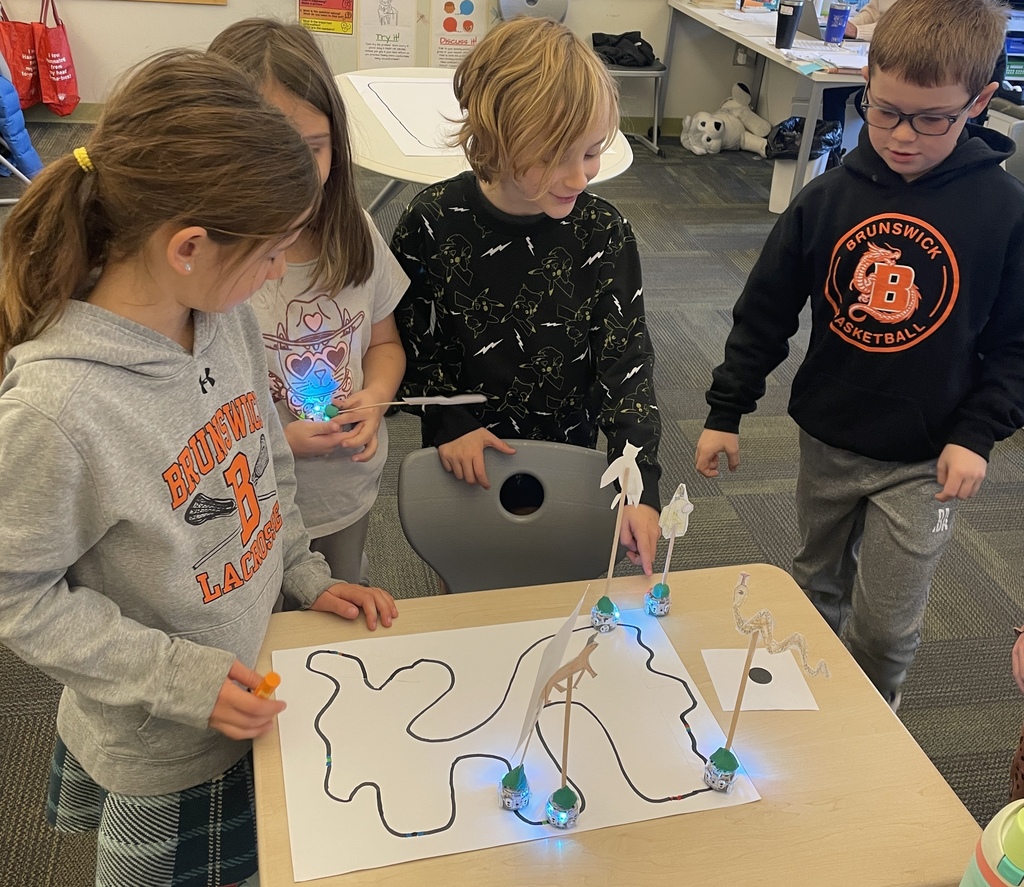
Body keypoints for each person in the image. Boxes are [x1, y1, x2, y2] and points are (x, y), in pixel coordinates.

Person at [0, 51, 398, 887]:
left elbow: (262, 461)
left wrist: (299, 570)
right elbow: (16, 594)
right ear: (187, 247)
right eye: (272, 253)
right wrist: (179, 676)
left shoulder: (222, 318)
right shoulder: (54, 412)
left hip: (261, 678)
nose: (278, 275)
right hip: (166, 741)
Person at [695, 0, 1024, 711]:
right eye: (884, 110)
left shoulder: (1004, 211)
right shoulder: (828, 198)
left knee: (885, 624)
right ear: (866, 84)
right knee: (811, 587)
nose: (903, 136)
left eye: (932, 118)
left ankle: (873, 723)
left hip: (930, 456)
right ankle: (804, 708)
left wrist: (977, 434)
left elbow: (1016, 345)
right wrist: (727, 410)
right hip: (831, 435)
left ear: (981, 101)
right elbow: (765, 310)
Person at [390, 17, 663, 574]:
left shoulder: (602, 231)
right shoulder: (434, 221)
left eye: (590, 153)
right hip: (465, 464)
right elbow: (409, 343)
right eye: (555, 157)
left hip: (570, 459)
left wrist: (640, 485)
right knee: (473, 590)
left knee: (562, 592)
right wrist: (449, 426)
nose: (578, 176)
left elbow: (626, 364)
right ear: (493, 137)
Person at [208, 20, 409, 589]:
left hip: (345, 490)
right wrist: (279, 441)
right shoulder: (216, 272)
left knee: (338, 606)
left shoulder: (356, 234)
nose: (293, 175)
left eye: (312, 150)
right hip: (254, 503)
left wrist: (373, 398)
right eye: (267, 154)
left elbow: (386, 343)